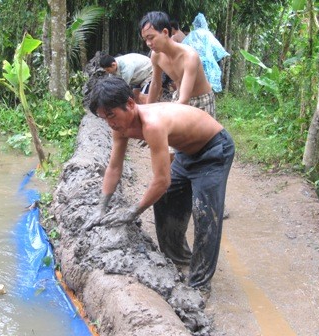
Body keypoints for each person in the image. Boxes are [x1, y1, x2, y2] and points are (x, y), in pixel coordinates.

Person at [86, 76, 235, 299]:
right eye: (104, 117)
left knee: (205, 214)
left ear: (129, 104)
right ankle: (179, 258)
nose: (110, 123)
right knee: (166, 202)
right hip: (186, 154)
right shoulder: (120, 127)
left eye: (111, 115)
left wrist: (133, 211)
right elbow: (114, 167)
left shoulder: (152, 124)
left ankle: (200, 285)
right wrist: (101, 206)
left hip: (213, 150)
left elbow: (161, 180)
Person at [139, 11, 215, 116]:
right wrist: (146, 111)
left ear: (165, 32)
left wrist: (160, 111)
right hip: (178, 97)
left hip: (201, 100)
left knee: (203, 132)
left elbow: (184, 101)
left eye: (151, 37)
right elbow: (156, 84)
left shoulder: (189, 56)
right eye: (145, 39)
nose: (148, 43)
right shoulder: (156, 55)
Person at [182, 13, 229, 93]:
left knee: (193, 84)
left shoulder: (192, 34)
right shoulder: (207, 34)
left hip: (193, 62)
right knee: (207, 86)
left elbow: (184, 46)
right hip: (207, 64)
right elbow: (217, 47)